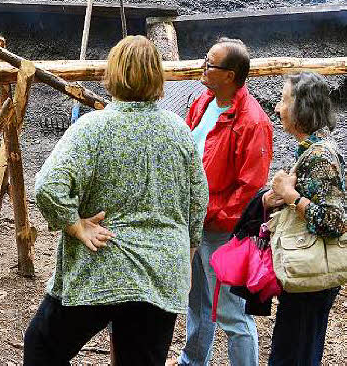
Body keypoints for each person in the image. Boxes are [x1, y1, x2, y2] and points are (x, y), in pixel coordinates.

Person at [25, 35, 209, 366]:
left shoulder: (93, 128)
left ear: (113, 73)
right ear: (157, 76)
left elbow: (48, 186)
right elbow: (198, 204)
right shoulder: (180, 131)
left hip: (100, 269)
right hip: (160, 273)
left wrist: (76, 226)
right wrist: (186, 258)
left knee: (42, 347)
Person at [178, 37, 273, 366]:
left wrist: (213, 214)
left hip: (223, 231)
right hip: (195, 224)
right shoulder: (203, 101)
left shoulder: (253, 121)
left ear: (230, 75)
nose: (203, 67)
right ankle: (192, 362)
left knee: (233, 314)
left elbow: (250, 187)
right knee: (197, 305)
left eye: (211, 63)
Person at [262, 72, 347, 365]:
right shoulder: (308, 151)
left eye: (284, 100)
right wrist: (275, 198)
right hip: (305, 276)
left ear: (302, 107)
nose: (277, 108)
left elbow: (334, 221)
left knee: (295, 355)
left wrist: (291, 197)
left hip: (313, 281)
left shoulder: (321, 157)